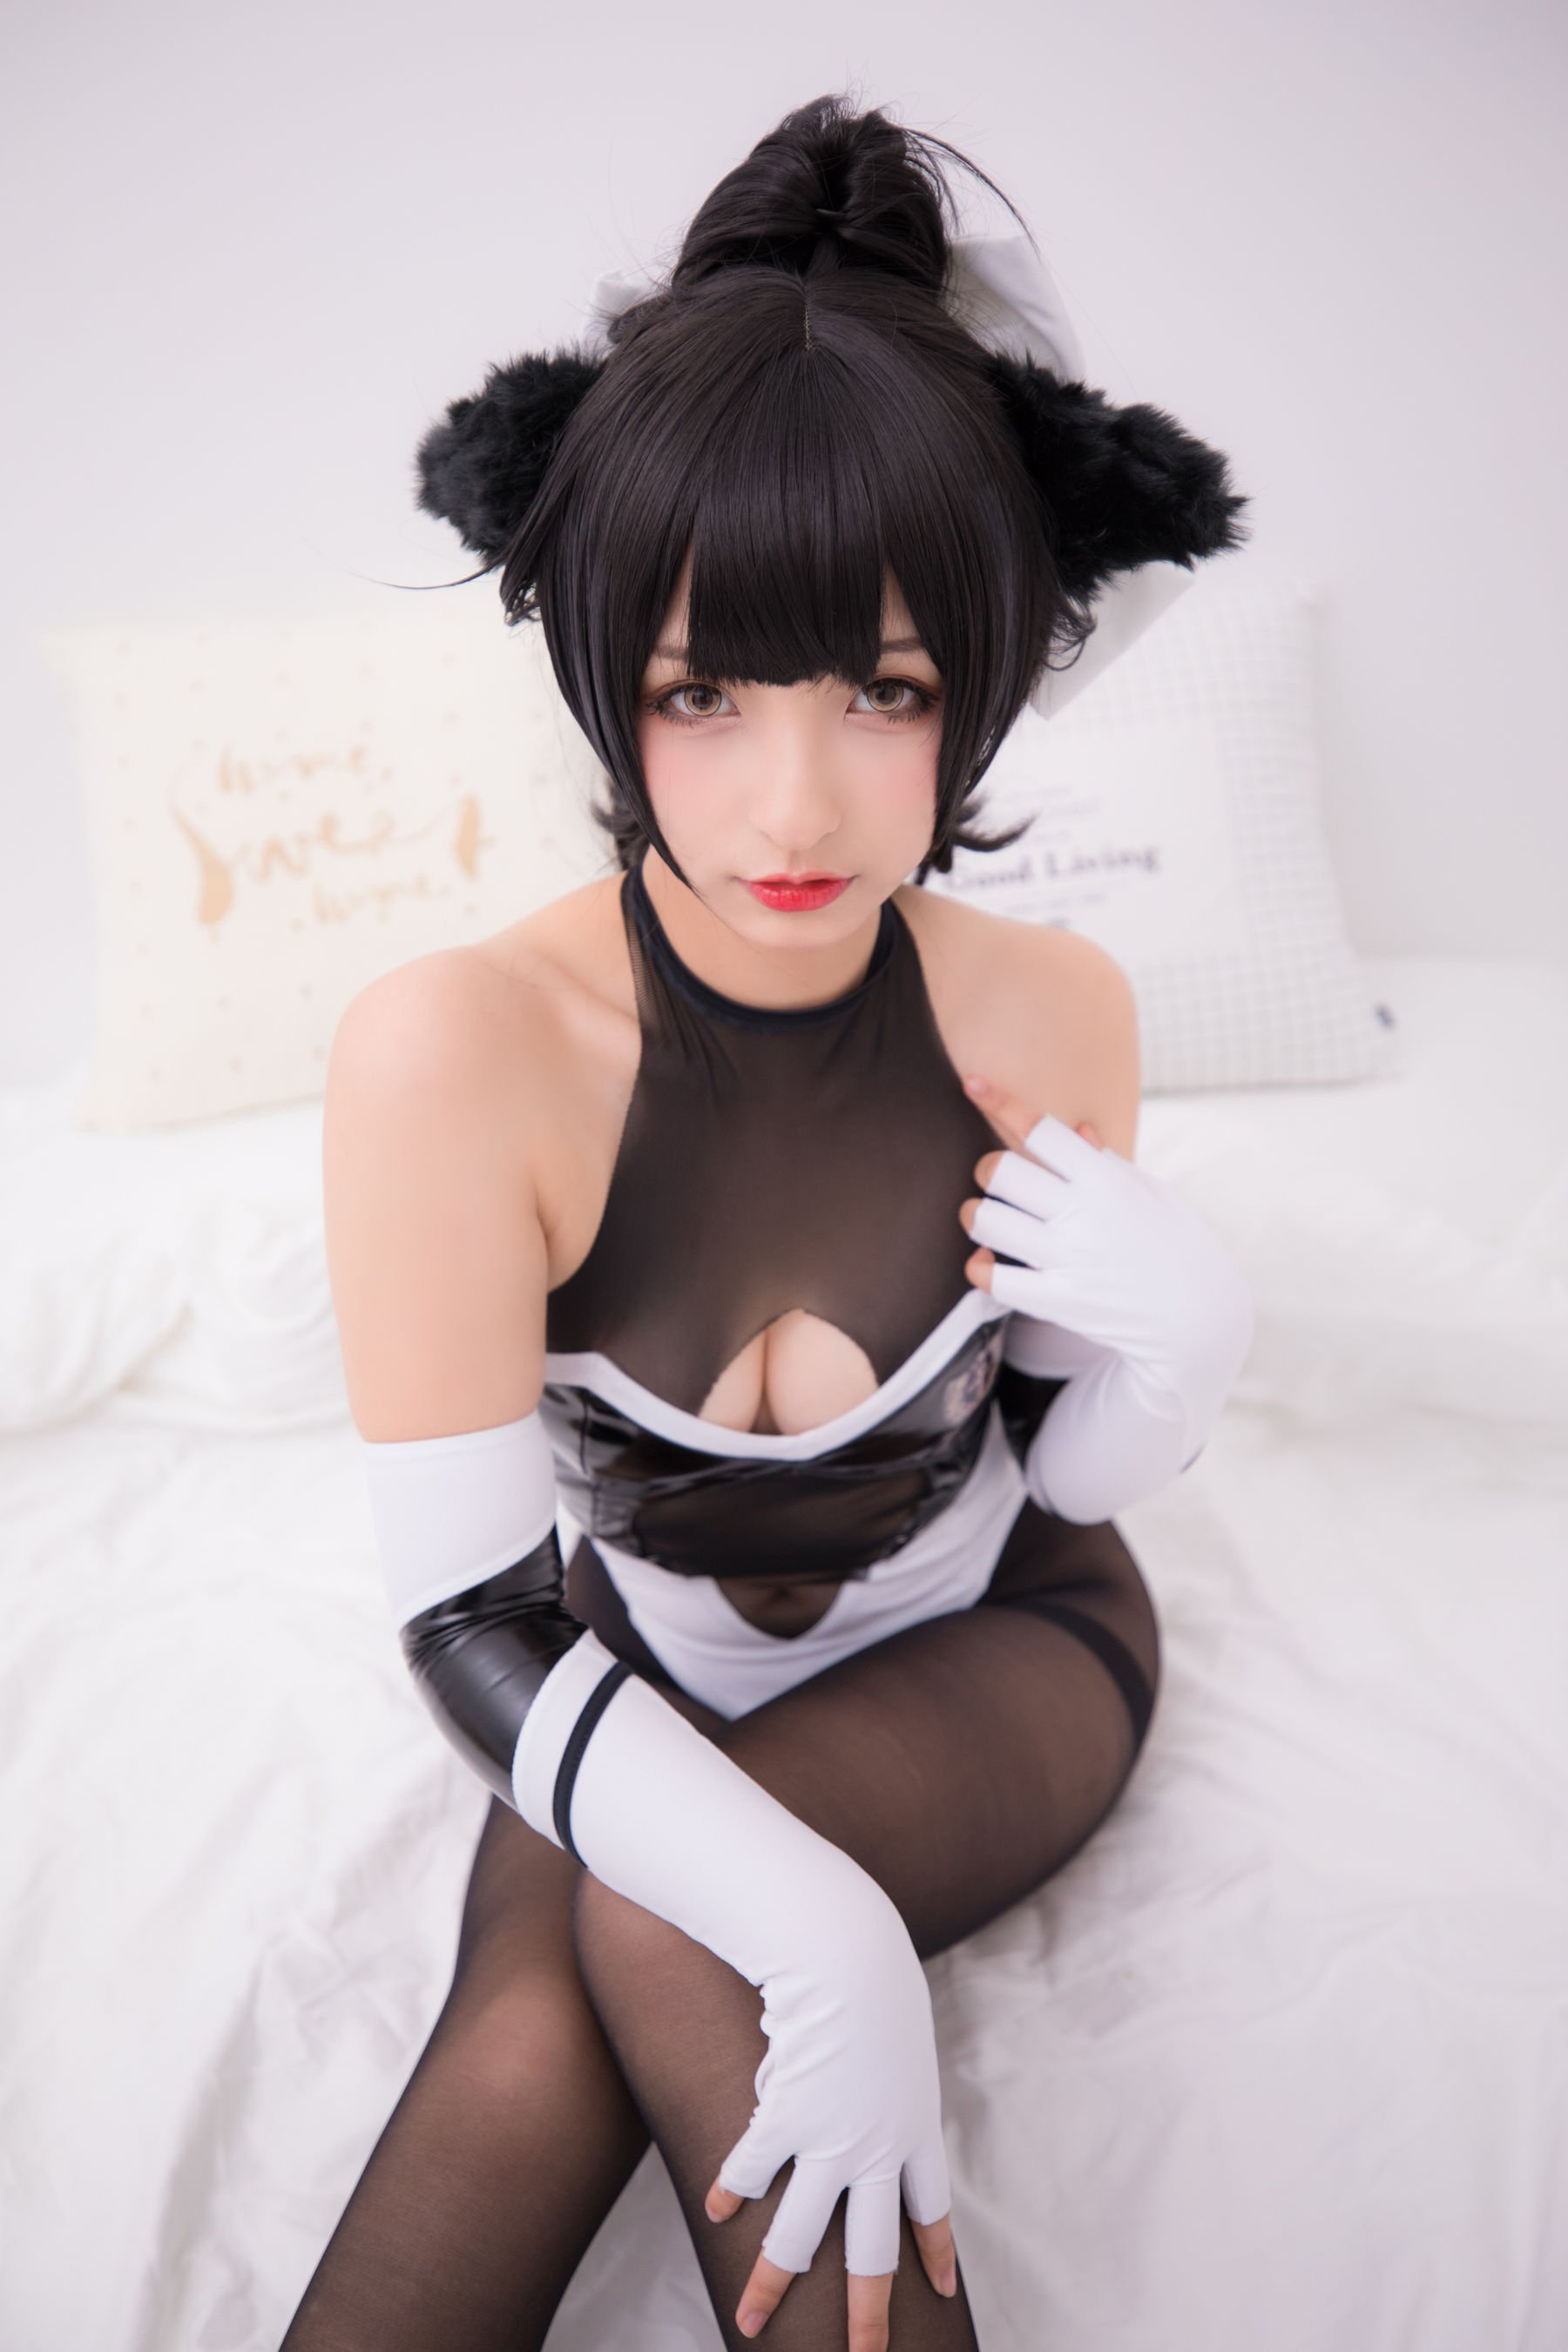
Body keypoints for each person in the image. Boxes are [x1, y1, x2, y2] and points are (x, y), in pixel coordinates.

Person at [280, 91, 1254, 2352]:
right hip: (627, 1659)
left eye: (885, 691)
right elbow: (470, 1618)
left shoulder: (1053, 1007)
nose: (795, 805)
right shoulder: (458, 1049)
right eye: (701, 691)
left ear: (985, 678)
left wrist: (1181, 1351)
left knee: (655, 1928)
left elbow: (1055, 1477)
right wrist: (826, 1935)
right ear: (603, 672)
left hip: (1002, 1628)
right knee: (524, 2053)